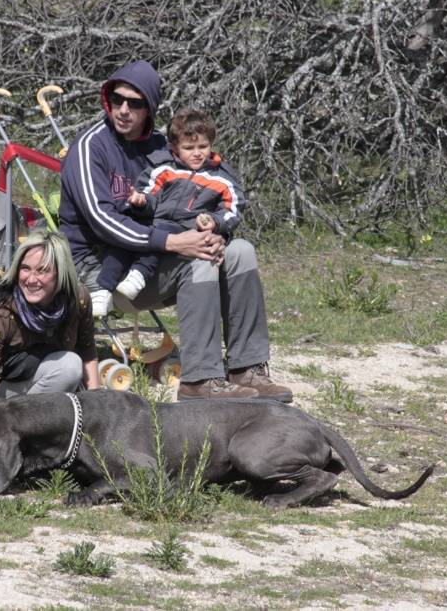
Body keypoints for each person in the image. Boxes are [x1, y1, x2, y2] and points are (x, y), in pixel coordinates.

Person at [58, 60, 293, 402]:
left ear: (150, 107)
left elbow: (220, 181)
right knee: (197, 261)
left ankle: (247, 367)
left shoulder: (165, 146)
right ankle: (200, 379)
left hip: (157, 260)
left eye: (135, 103)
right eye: (117, 99)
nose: (123, 110)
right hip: (103, 268)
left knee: (240, 251)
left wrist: (215, 234)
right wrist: (176, 242)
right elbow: (101, 220)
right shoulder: (90, 147)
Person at [0, 230, 101, 472]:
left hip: (44, 385)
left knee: (73, 368)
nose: (31, 279)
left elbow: (88, 352)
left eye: (42, 270)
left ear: (60, 274)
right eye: (25, 268)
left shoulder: (77, 299)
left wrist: (98, 410)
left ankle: (45, 436)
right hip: (3, 389)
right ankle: (22, 436)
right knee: (68, 367)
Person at [92, 108, 244, 308]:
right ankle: (103, 291)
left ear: (211, 145)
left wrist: (214, 220)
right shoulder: (163, 169)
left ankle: (138, 275)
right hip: (154, 224)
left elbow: (234, 209)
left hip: (184, 230)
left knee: (159, 234)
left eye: (203, 146)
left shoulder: (221, 177)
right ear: (175, 147)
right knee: (124, 241)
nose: (197, 153)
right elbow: (149, 195)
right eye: (189, 148)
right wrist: (141, 202)